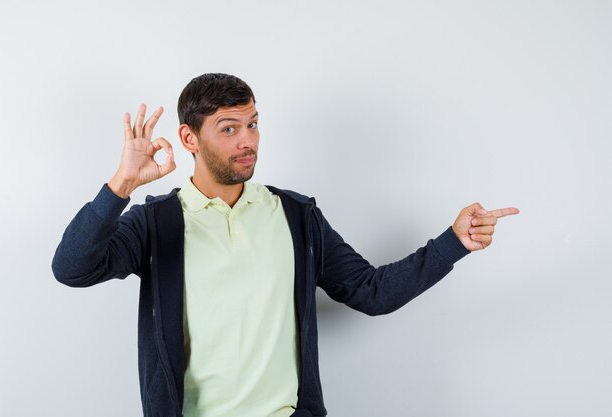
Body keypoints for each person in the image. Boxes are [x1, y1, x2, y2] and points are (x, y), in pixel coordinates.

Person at [52, 73, 519, 417]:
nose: (248, 141)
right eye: (229, 128)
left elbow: (372, 292)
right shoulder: (155, 223)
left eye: (253, 124)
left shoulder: (296, 217)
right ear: (189, 138)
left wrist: (453, 243)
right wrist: (120, 185)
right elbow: (72, 268)